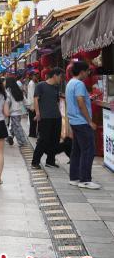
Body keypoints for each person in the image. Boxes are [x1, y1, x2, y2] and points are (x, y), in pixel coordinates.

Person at [66, 61, 100, 189]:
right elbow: (80, 103)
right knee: (88, 150)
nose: (88, 73)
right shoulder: (79, 84)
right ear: (82, 72)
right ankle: (85, 180)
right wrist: (90, 121)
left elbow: (78, 101)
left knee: (77, 150)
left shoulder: (70, 83)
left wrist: (88, 99)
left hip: (75, 121)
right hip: (82, 122)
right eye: (87, 71)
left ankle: (74, 177)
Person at [32, 68, 64, 170]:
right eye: (60, 76)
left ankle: (50, 161)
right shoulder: (40, 85)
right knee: (43, 140)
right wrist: (37, 113)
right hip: (45, 117)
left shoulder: (56, 87)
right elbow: (36, 99)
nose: (61, 79)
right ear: (55, 75)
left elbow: (57, 102)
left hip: (56, 117)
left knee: (55, 140)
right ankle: (35, 162)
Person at [5, 77, 27, 147]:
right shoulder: (18, 90)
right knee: (15, 125)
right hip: (19, 111)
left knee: (17, 127)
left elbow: (7, 102)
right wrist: (28, 107)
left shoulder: (8, 91)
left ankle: (22, 141)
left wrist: (6, 110)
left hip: (13, 112)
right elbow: (24, 100)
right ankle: (10, 137)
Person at [25, 71, 39, 138]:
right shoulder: (31, 84)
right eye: (34, 75)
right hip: (32, 105)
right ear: (31, 76)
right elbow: (32, 95)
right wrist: (33, 106)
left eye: (36, 75)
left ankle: (32, 133)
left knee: (33, 120)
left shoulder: (33, 83)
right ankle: (32, 133)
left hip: (32, 104)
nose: (36, 76)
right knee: (33, 120)